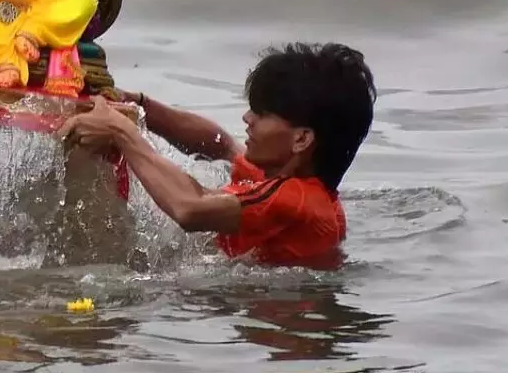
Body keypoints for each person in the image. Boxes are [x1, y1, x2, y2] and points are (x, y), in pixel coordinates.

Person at [58, 42, 376, 269]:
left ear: (302, 139)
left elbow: (190, 209)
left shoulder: (295, 200)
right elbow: (221, 145)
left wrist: (122, 133)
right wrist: (139, 106)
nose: (247, 118)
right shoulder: (287, 180)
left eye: (262, 114)